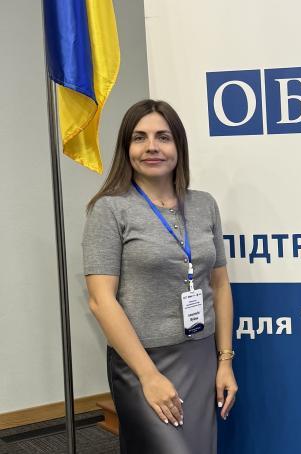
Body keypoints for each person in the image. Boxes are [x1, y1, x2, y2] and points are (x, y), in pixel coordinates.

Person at [83, 99, 237, 453]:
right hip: (142, 362)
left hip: (200, 357)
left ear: (178, 146)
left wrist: (225, 360)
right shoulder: (110, 209)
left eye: (163, 137)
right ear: (126, 148)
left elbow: (219, 285)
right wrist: (149, 375)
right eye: (139, 138)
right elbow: (100, 300)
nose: (151, 146)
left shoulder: (204, 205)